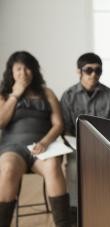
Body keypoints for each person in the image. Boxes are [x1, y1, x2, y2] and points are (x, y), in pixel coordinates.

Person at [0, 51, 70, 227]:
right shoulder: (4, 94)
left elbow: (58, 124)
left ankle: (63, 224)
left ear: (34, 71)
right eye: (18, 69)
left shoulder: (47, 93)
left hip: (43, 147)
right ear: (11, 72)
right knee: (7, 168)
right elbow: (1, 122)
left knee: (54, 166)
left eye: (27, 68)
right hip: (12, 148)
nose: (23, 73)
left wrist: (45, 142)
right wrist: (15, 95)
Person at [60, 52, 110, 222]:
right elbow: (65, 128)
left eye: (98, 70)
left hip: (104, 146)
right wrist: (78, 146)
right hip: (76, 146)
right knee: (73, 167)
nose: (94, 74)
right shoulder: (68, 96)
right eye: (88, 70)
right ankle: (74, 213)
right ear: (79, 72)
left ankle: (103, 211)